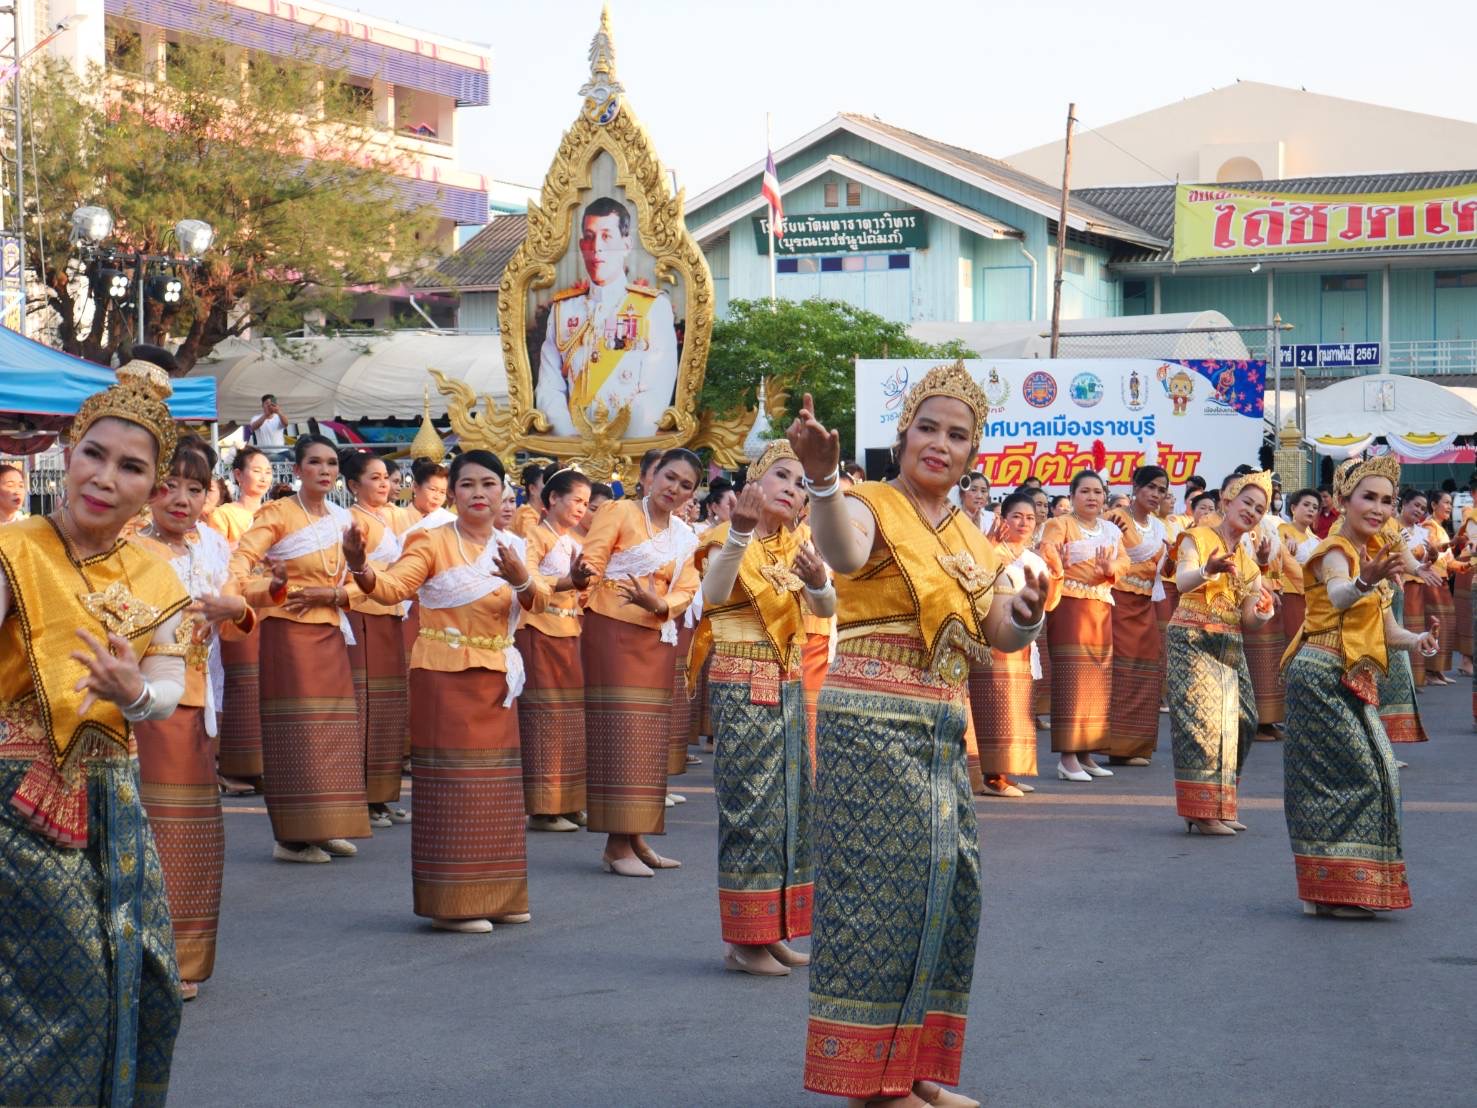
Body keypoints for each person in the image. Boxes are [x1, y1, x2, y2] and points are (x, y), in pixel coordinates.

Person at [788, 367, 1045, 1108]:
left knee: (947, 891)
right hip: (870, 724)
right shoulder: (870, 502)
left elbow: (998, 631)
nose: (939, 443)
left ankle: (911, 1069)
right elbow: (841, 553)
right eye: (927, 427)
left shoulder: (972, 539)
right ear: (903, 436)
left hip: (940, 728)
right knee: (880, 898)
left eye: (956, 435)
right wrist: (822, 480)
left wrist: (1028, 614)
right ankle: (867, 1080)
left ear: (972, 453)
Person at [0, 361, 190, 1104]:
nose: (105, 478)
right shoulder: (16, 550)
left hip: (115, 800)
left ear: (155, 487)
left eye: (131, 467)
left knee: (151, 981)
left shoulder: (156, 579)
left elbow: (167, 688)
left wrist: (133, 691)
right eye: (94, 455)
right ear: (69, 454)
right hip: (19, 801)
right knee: (64, 994)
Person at [347, 450, 545, 932]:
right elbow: (393, 588)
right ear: (453, 493)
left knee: (496, 789)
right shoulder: (431, 539)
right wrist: (359, 566)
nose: (479, 493)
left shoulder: (513, 545)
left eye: (488, 484)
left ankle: (499, 894)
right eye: (467, 484)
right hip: (444, 675)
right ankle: (453, 903)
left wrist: (521, 578)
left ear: (503, 491)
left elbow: (538, 600)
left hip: (496, 677)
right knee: (456, 788)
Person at [692, 441, 832, 976]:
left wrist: (819, 582)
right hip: (741, 683)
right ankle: (744, 940)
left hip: (789, 683)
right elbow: (713, 596)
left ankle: (771, 931)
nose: (792, 488)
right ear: (755, 481)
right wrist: (739, 534)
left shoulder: (796, 546)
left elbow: (825, 607)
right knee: (749, 809)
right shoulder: (725, 538)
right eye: (781, 476)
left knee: (789, 807)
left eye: (800, 483)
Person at [1282, 456, 1435, 918]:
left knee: (1373, 774)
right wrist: (1367, 578)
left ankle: (1336, 888)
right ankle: (1331, 890)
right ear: (1342, 500)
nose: (1379, 509)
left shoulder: (1373, 554)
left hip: (1351, 676)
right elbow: (1339, 596)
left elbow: (1387, 630)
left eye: (1387, 500)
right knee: (1361, 776)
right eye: (1369, 497)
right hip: (1320, 673)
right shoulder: (1336, 550)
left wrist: (1419, 640)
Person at [133, 438, 256, 1002]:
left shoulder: (211, 545)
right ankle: (144, 961)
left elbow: (238, 607)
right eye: (170, 485)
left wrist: (241, 608)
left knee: (193, 835)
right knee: (153, 834)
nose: (181, 498)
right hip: (145, 707)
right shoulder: (129, 550)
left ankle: (181, 957)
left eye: (195, 487)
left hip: (198, 702)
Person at [228, 434, 369, 864]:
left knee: (333, 732)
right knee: (298, 733)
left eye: (331, 463)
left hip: (331, 632)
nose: (325, 470)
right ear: (297, 469)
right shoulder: (278, 514)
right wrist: (271, 589)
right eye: (315, 462)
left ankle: (326, 826)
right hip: (288, 634)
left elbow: (364, 579)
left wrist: (336, 595)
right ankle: (292, 838)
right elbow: (239, 565)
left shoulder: (344, 519)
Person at [578, 447, 701, 876]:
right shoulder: (619, 511)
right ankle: (616, 845)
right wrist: (580, 581)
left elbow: (688, 586)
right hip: (613, 631)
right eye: (670, 477)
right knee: (621, 736)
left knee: (648, 740)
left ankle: (635, 835)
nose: (674, 488)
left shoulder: (685, 535)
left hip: (657, 635)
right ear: (652, 475)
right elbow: (591, 562)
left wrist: (661, 603)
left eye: (686, 485)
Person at [1165, 470, 1276, 835]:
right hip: (1192, 636)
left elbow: (1248, 618)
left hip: (1229, 641)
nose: (1252, 512)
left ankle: (1221, 803)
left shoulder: (1248, 563)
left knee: (1244, 719)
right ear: (1227, 501)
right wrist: (1207, 570)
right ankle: (1201, 810)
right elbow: (1182, 582)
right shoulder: (1197, 537)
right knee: (1204, 723)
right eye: (1247, 503)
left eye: (1259, 509)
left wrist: (1263, 612)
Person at [535, 197, 679, 438]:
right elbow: (549, 389)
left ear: (626, 244)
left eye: (607, 236)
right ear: (581, 245)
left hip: (630, 449)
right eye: (589, 237)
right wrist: (572, 442)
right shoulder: (563, 311)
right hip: (573, 447)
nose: (597, 247)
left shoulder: (652, 307)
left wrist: (619, 448)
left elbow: (656, 391)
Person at [518, 465, 595, 832]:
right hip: (539, 629)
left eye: (586, 503)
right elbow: (527, 579)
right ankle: (544, 807)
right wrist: (569, 582)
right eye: (576, 500)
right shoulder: (534, 535)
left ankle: (570, 801)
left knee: (570, 718)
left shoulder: (574, 541)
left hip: (569, 631)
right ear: (552, 498)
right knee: (544, 716)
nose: (581, 508)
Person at [970, 491, 1062, 797]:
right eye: (1017, 516)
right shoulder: (987, 549)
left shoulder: (1035, 559)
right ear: (1003, 519)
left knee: (1018, 707)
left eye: (1030, 518)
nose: (1024, 523)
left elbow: (1049, 603)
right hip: (993, 636)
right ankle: (991, 775)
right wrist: (989, 550)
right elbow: (973, 585)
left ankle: (1009, 771)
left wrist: (1057, 571)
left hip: (1023, 640)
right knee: (995, 705)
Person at [1040, 470, 1129, 782]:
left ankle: (1086, 752)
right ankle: (1067, 757)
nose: (1092, 497)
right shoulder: (1060, 524)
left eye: (1097, 492)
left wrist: (1111, 567)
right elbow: (1048, 552)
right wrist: (1060, 563)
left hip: (1100, 606)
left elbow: (1124, 562)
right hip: (1070, 605)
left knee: (1097, 679)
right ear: (1072, 495)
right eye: (1085, 491)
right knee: (1073, 680)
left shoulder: (1110, 530)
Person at [341, 451, 412, 829]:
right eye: (375, 478)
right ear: (354, 485)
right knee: (364, 705)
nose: (384, 483)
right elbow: (348, 572)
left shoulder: (395, 517)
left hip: (392, 615)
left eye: (386, 477)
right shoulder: (350, 520)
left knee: (388, 706)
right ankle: (361, 796)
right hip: (364, 613)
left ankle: (383, 794)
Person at [207, 445, 274, 793]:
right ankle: (235, 765)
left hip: (271, 604)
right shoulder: (225, 515)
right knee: (241, 683)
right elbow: (220, 558)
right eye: (256, 470)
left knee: (268, 683)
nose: (263, 477)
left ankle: (265, 764)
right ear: (238, 475)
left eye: (268, 471)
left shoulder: (276, 512)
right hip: (239, 603)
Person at [1103, 466, 1170, 766]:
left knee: (1147, 669)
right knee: (1122, 671)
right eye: (1151, 487)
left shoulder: (1159, 528)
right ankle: (1115, 745)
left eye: (1161, 490)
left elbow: (1163, 569)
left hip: (1146, 605)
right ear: (1136, 487)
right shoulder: (1115, 519)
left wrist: (1173, 558)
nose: (1156, 494)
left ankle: (1137, 746)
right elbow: (1105, 557)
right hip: (1119, 602)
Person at [1420, 489, 1457, 683]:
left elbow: (1449, 562)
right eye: (1446, 502)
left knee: (1447, 624)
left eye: (1451, 503)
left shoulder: (1440, 528)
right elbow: (1431, 552)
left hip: (1442, 581)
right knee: (1435, 623)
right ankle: (1429, 671)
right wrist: (1453, 542)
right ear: (1434, 505)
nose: (1450, 506)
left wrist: (1467, 564)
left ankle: (1439, 670)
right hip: (1431, 581)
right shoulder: (1428, 526)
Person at [1278, 488, 1321, 645]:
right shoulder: (1283, 530)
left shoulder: (1315, 538)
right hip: (1291, 592)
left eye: (1315, 507)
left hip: (1313, 595)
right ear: (1293, 508)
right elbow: (1274, 564)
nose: (1311, 510)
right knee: (1294, 641)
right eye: (1306, 505)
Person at [513, 463, 545, 537]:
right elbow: (533, 540)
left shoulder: (542, 513)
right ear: (532, 489)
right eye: (546, 486)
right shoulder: (526, 514)